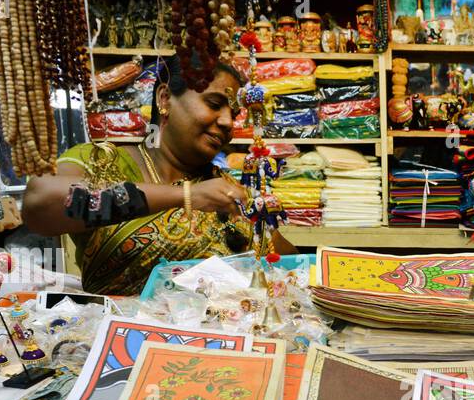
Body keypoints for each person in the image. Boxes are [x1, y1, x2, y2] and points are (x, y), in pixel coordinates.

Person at [23, 56, 292, 294]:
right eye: (213, 103)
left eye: (233, 114)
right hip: (121, 342)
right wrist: (185, 195)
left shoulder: (227, 191)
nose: (227, 122)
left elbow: (289, 265)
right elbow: (39, 202)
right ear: (165, 99)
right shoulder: (102, 161)